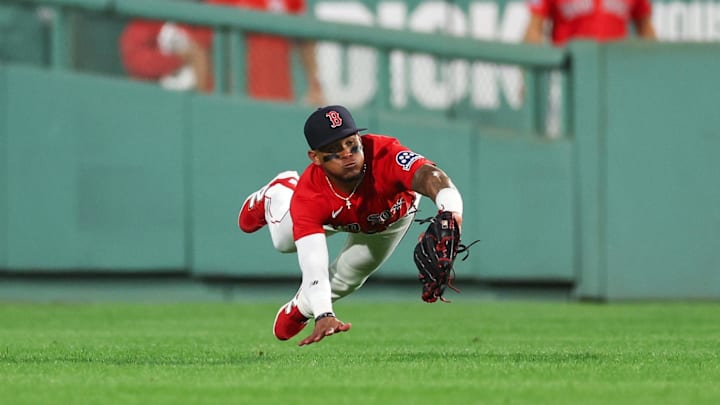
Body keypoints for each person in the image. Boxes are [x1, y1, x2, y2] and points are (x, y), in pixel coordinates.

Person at [238, 105, 465, 346]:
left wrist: (451, 211)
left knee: (350, 277)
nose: (347, 153)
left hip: (386, 221)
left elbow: (430, 176)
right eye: (334, 149)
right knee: (283, 241)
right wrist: (325, 314)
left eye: (350, 143)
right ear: (315, 157)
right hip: (330, 213)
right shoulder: (310, 195)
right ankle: (280, 190)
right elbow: (314, 264)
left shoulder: (384, 154)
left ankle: (301, 307)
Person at [119, 0, 324, 103]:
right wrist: (178, 60)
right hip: (228, 101)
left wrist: (315, 86)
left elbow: (304, 38)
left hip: (277, 100)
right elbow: (134, 52)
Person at [523, 0, 657, 46]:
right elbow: (534, 28)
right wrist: (527, 79)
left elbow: (645, 29)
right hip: (568, 73)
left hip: (615, 73)